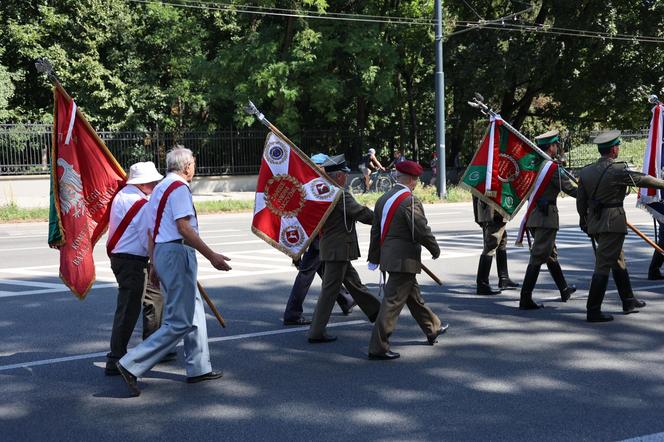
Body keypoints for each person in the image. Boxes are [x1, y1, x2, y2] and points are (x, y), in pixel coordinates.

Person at [116, 146, 232, 397]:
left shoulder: (159, 188)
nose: (194, 167)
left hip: (165, 252)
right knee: (180, 320)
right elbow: (183, 227)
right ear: (187, 166)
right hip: (177, 251)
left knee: (195, 312)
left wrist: (156, 262)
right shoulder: (178, 188)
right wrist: (211, 255)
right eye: (193, 163)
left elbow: (152, 227)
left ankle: (199, 367)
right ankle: (131, 363)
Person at [577, 130, 664, 322]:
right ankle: (593, 310)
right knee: (603, 265)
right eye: (618, 146)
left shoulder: (586, 171)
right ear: (614, 149)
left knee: (617, 260)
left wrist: (584, 221)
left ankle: (628, 300)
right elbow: (643, 179)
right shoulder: (617, 170)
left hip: (596, 221)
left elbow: (581, 202)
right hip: (612, 222)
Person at [367, 160, 448, 360]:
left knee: (413, 296)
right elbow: (421, 229)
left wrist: (374, 257)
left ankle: (432, 327)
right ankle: (378, 347)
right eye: (417, 180)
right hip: (404, 259)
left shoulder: (383, 198)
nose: (417, 183)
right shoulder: (410, 201)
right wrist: (434, 248)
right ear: (412, 179)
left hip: (390, 256)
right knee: (392, 303)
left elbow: (375, 232)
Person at [104, 161, 172, 376]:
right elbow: (148, 236)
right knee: (129, 308)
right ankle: (116, 358)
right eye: (152, 181)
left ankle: (152, 348)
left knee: (154, 298)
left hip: (128, 258)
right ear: (142, 184)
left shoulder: (125, 195)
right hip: (132, 260)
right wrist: (156, 262)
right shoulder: (139, 203)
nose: (155, 184)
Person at [308, 154, 381, 343]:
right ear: (338, 175)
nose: (347, 177)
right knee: (329, 291)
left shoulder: (323, 191)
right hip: (337, 249)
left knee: (354, 283)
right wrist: (383, 219)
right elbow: (360, 213)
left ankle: (378, 313)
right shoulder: (339, 194)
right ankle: (316, 332)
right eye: (345, 174)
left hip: (334, 248)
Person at [282, 153, 355, 326]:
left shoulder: (307, 184)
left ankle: (346, 300)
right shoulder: (319, 185)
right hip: (320, 237)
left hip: (314, 236)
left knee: (324, 269)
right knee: (307, 273)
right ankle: (292, 313)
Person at [518, 130, 578, 310]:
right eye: (555, 145)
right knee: (538, 256)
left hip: (534, 216)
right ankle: (525, 298)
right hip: (545, 218)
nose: (557, 148)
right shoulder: (551, 168)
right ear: (551, 147)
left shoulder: (534, 165)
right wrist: (587, 193)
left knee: (550, 254)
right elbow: (569, 189)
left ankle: (564, 289)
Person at [473, 197, 519, 295]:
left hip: (493, 209)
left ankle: (504, 278)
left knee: (502, 241)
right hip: (494, 210)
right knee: (491, 245)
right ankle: (482, 284)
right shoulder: (489, 180)